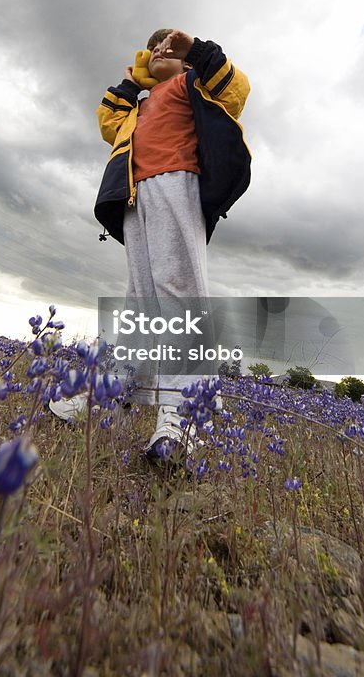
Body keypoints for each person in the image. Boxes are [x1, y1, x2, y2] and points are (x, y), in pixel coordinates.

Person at [52, 29, 251, 460]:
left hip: (177, 183)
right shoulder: (138, 106)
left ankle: (183, 414)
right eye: (152, 46)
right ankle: (110, 398)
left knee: (177, 290)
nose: (160, 49)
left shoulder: (192, 84)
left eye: (167, 47)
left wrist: (192, 51)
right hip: (134, 194)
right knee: (142, 301)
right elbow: (108, 122)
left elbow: (235, 89)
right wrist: (136, 81)